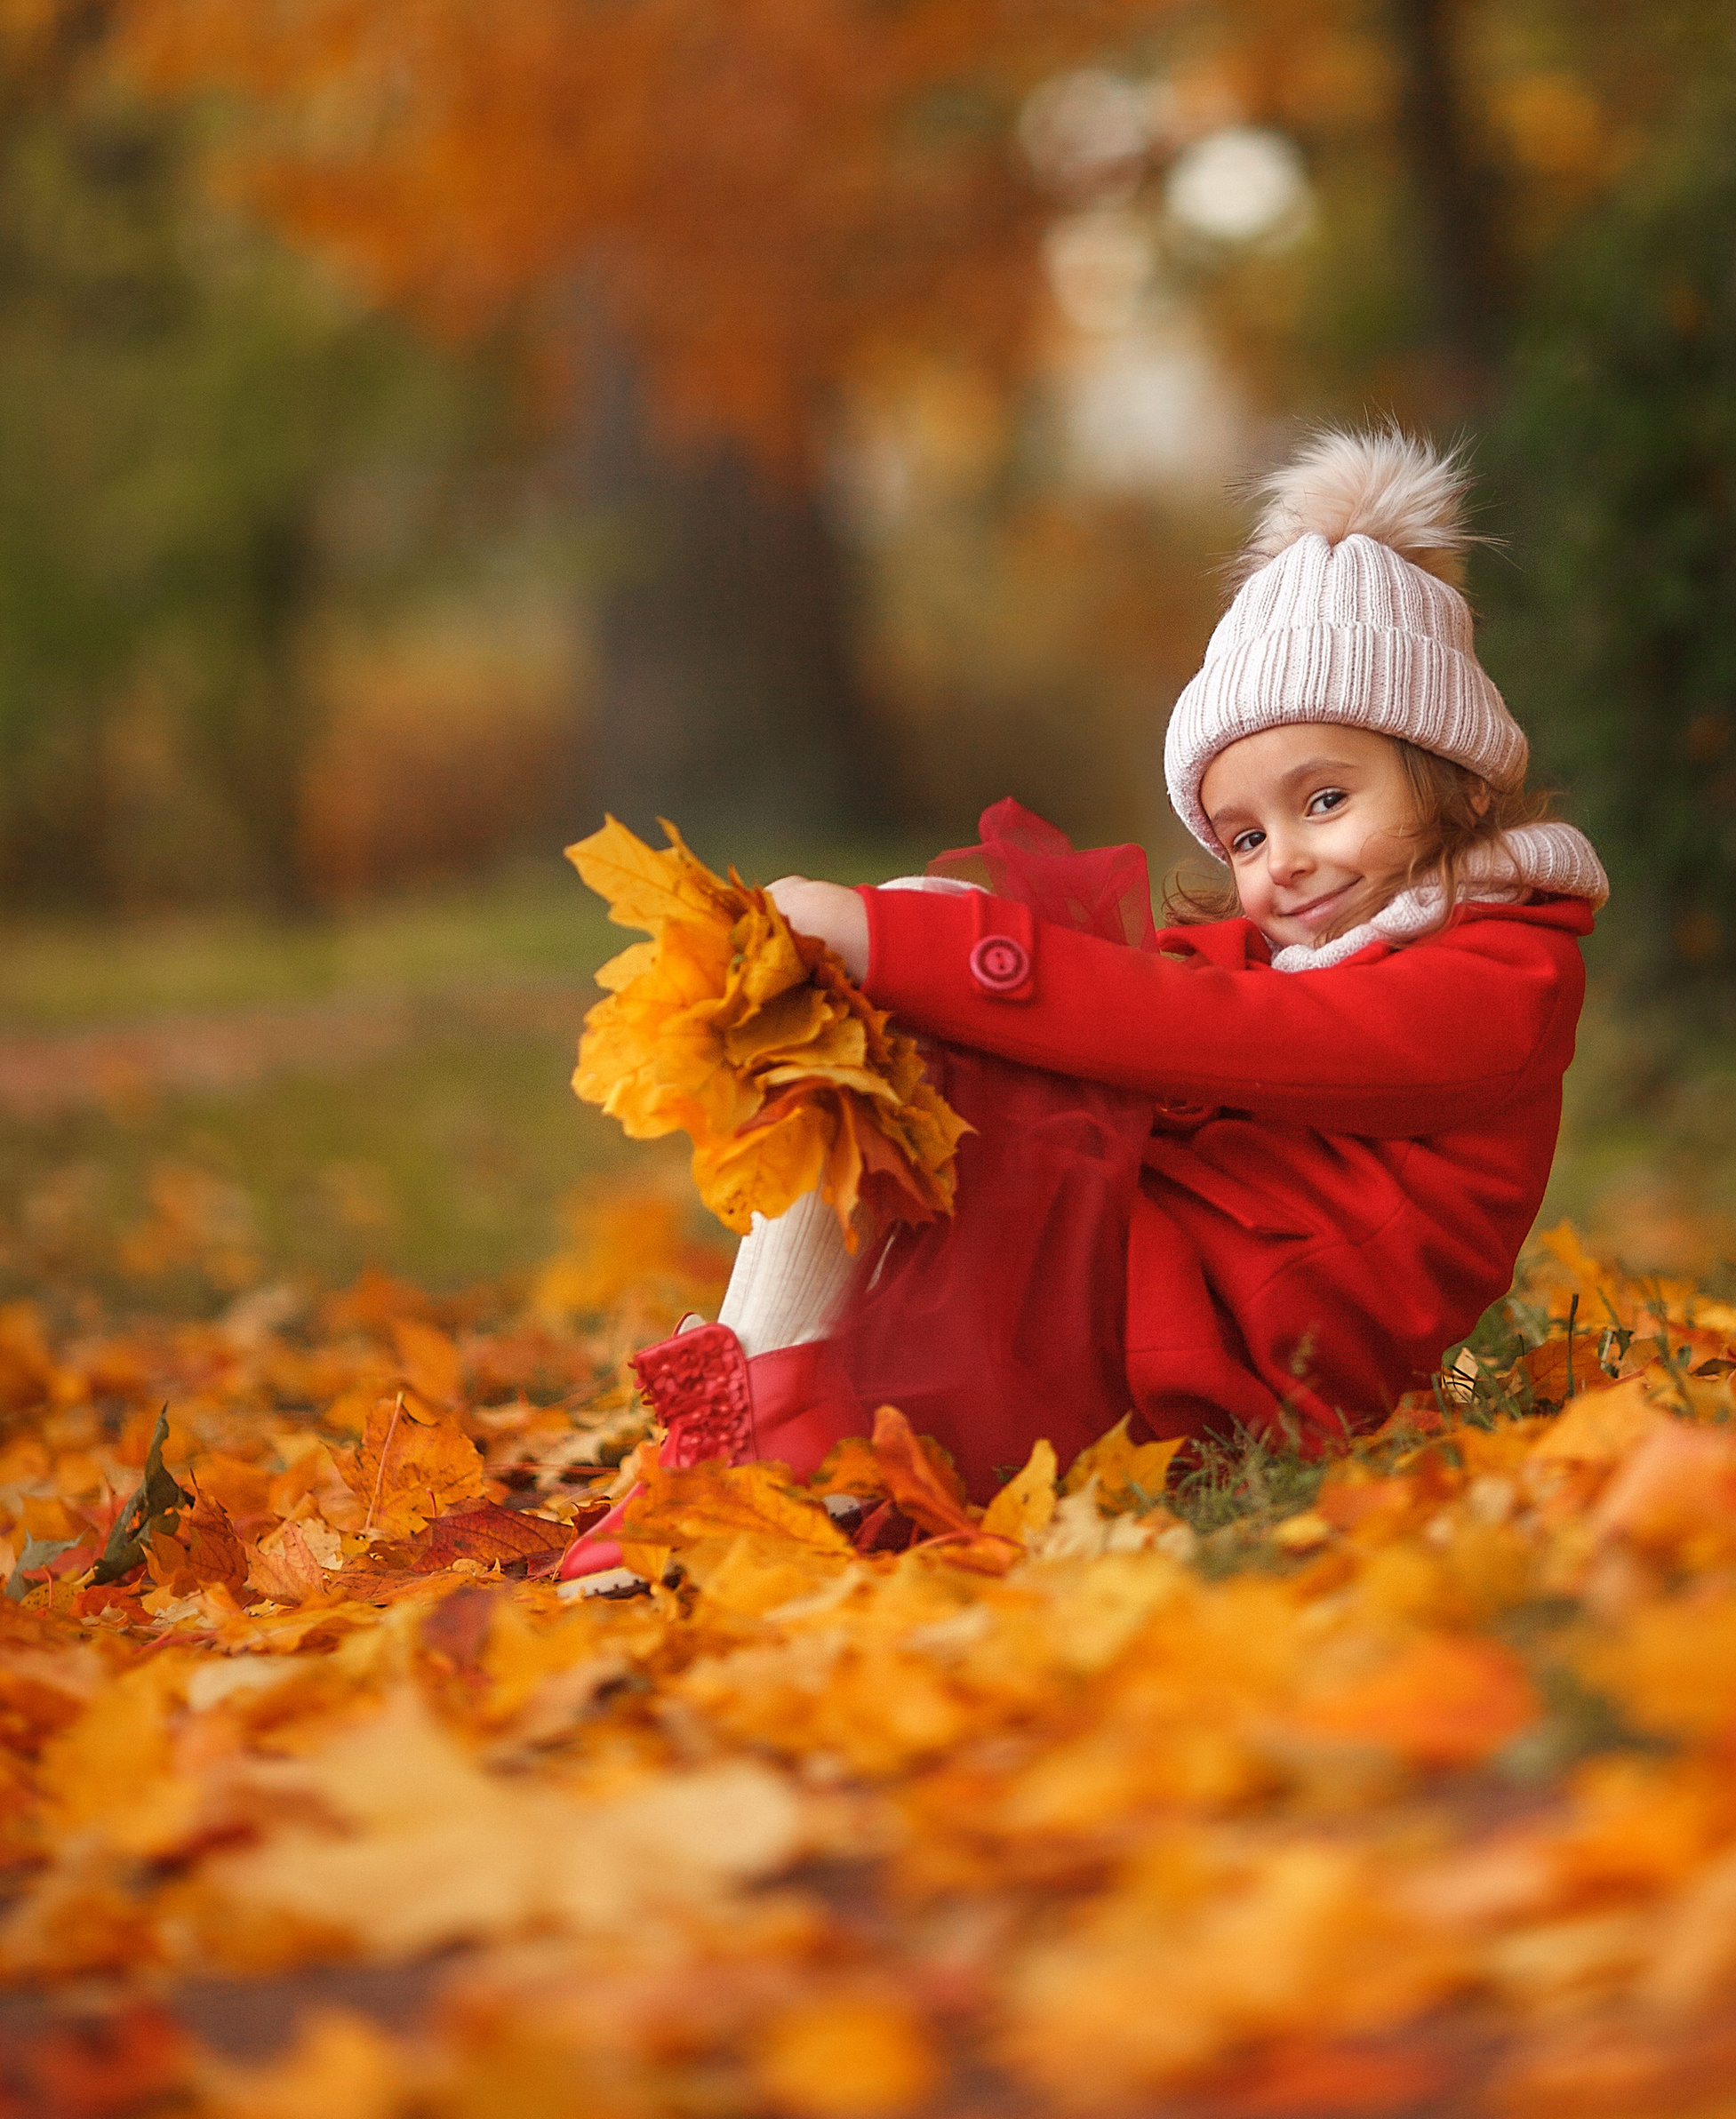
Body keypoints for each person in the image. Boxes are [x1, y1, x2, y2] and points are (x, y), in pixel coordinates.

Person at [557, 426, 1603, 1586]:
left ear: (1454, 778)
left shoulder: (1499, 979)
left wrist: (900, 936)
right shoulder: (1288, 948)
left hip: (1235, 1351)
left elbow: (1202, 1034)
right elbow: (1135, 999)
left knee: (926, 968)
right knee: (907, 1011)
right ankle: (756, 1413)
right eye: (1247, 834)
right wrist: (909, 945)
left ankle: (764, 1421)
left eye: (1325, 799)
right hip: (1164, 1290)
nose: (1286, 860)